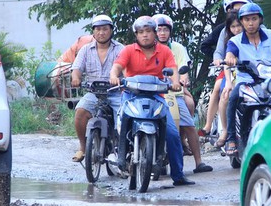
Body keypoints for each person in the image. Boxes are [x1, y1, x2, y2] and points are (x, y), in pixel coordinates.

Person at [109, 16, 195, 186]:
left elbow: (173, 69)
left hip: (157, 96)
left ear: (154, 33)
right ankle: (121, 158)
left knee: (171, 133)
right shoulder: (128, 50)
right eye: (141, 32)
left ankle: (178, 175)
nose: (145, 35)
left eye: (148, 31)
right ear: (136, 35)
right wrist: (113, 76)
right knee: (121, 124)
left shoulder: (164, 51)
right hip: (131, 95)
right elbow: (117, 66)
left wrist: (176, 82)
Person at [223, 2, 271, 156]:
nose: (250, 23)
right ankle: (231, 138)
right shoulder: (235, 41)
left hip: (269, 81)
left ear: (260, 19)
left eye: (254, 19)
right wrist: (230, 58)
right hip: (246, 82)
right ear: (241, 22)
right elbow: (230, 54)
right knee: (232, 98)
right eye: (246, 20)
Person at [153, 13, 213, 174]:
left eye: (165, 29)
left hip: (173, 92)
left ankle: (198, 161)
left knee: (189, 124)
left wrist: (183, 81)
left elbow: (182, 70)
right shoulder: (148, 49)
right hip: (153, 93)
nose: (162, 33)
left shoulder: (177, 48)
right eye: (159, 30)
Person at [70, 14, 124, 162]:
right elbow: (77, 68)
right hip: (93, 92)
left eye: (105, 29)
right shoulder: (85, 50)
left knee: (124, 116)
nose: (101, 32)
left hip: (115, 93)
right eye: (98, 29)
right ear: (93, 31)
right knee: (80, 112)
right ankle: (82, 147)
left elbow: (128, 71)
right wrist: (76, 78)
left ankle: (122, 149)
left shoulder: (121, 49)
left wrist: (121, 80)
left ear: (111, 30)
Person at [199, 10, 243, 146]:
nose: (236, 29)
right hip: (234, 73)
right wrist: (219, 60)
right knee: (223, 92)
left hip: (254, 74)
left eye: (239, 25)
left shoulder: (262, 34)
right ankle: (225, 131)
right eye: (233, 26)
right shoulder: (229, 40)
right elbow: (224, 58)